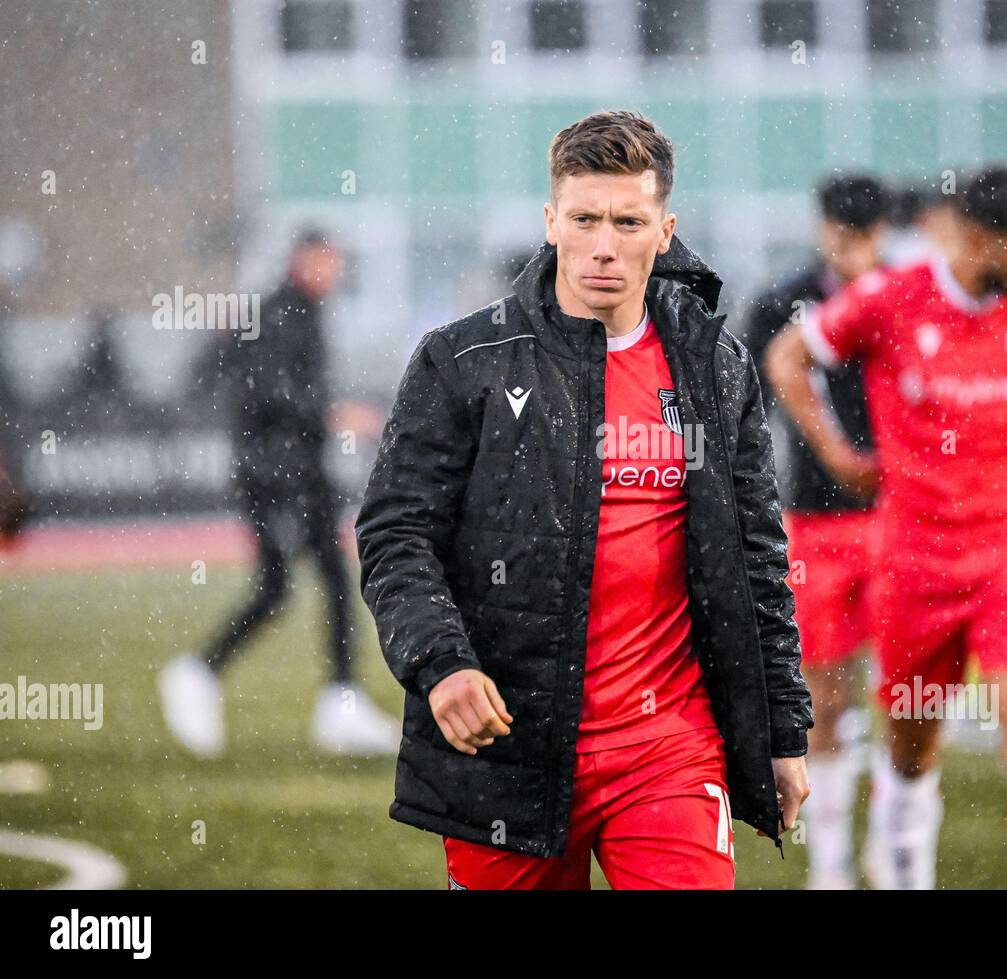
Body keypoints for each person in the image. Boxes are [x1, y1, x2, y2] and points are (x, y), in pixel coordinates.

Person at [354, 110, 812, 890]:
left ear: (664, 230)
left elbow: (757, 557)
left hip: (670, 748)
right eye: (585, 218)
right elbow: (396, 533)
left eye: (628, 221)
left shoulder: (714, 365)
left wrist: (783, 727)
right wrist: (441, 665)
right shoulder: (464, 361)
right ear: (551, 221)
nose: (605, 244)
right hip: (509, 749)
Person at [765, 166, 1007, 889]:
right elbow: (787, 357)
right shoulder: (890, 300)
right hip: (915, 564)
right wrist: (838, 451)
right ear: (971, 238)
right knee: (909, 753)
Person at [159, 229, 399, 758]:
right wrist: (335, 415)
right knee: (282, 587)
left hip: (294, 472)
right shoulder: (280, 311)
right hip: (275, 475)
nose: (335, 272)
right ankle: (199, 672)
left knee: (327, 581)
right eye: (328, 260)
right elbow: (267, 390)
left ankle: (339, 699)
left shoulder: (299, 311)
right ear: (304, 259)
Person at [743, 173, 889, 889]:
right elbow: (743, 409)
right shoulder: (779, 303)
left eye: (862, 233)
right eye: (839, 230)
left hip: (900, 522)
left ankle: (892, 851)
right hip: (814, 521)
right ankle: (830, 863)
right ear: (822, 226)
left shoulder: (906, 298)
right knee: (824, 699)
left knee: (906, 698)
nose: (850, 246)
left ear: (882, 233)